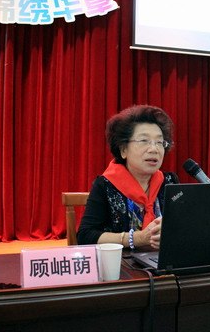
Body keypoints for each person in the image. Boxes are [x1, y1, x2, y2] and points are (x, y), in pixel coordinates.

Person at [77, 105, 179, 250]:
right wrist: (137, 238)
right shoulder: (106, 185)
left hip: (162, 261)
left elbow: (183, 225)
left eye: (159, 142)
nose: (154, 149)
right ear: (123, 149)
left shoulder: (169, 182)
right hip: (122, 262)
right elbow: (85, 236)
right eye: (144, 141)